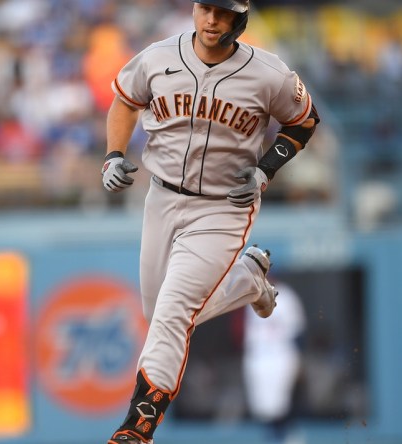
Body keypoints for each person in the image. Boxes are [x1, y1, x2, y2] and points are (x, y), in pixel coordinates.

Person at [100, 1, 320, 442]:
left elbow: (305, 120)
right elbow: (124, 102)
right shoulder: (159, 57)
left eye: (223, 12)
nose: (212, 19)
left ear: (240, 18)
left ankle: (139, 424)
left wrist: (265, 169)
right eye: (205, 8)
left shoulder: (268, 73)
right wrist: (113, 156)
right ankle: (248, 279)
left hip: (224, 206)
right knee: (156, 311)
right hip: (161, 198)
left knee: (173, 311)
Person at [243, 281, 306, 444]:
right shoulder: (251, 296)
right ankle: (275, 437)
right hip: (259, 358)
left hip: (281, 356)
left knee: (283, 404)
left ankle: (289, 436)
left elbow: (297, 332)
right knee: (264, 407)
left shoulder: (286, 297)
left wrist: (299, 359)